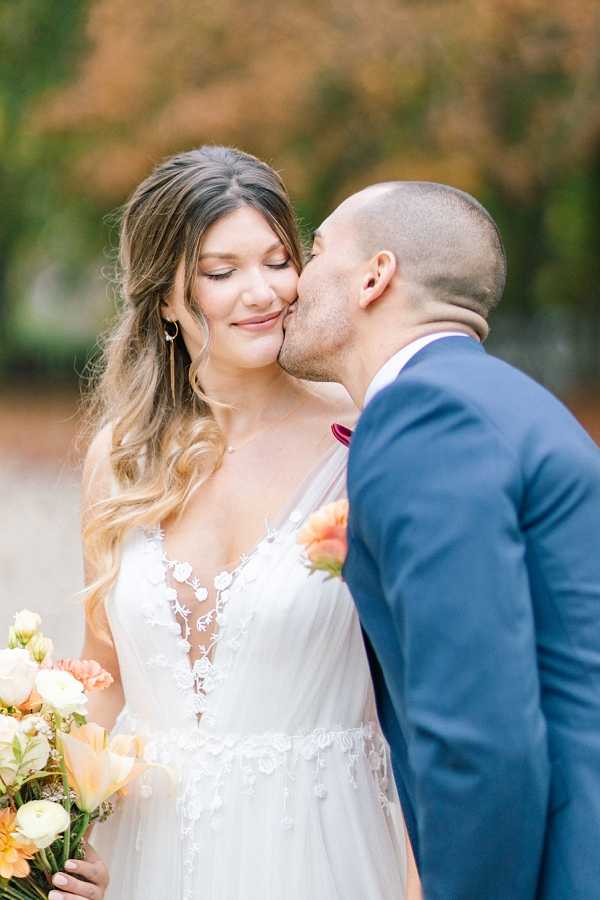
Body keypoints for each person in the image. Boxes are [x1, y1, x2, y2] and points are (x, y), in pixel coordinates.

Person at [76, 147, 417, 899]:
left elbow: (425, 683)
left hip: (320, 852)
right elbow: (102, 672)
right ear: (164, 297)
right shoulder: (121, 459)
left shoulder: (366, 444)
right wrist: (59, 833)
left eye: (276, 260)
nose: (260, 292)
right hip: (148, 857)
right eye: (220, 271)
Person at [278, 180, 600, 899]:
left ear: (375, 276)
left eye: (317, 249)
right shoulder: (499, 400)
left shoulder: (423, 418)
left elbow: (481, 735)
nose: (294, 280)